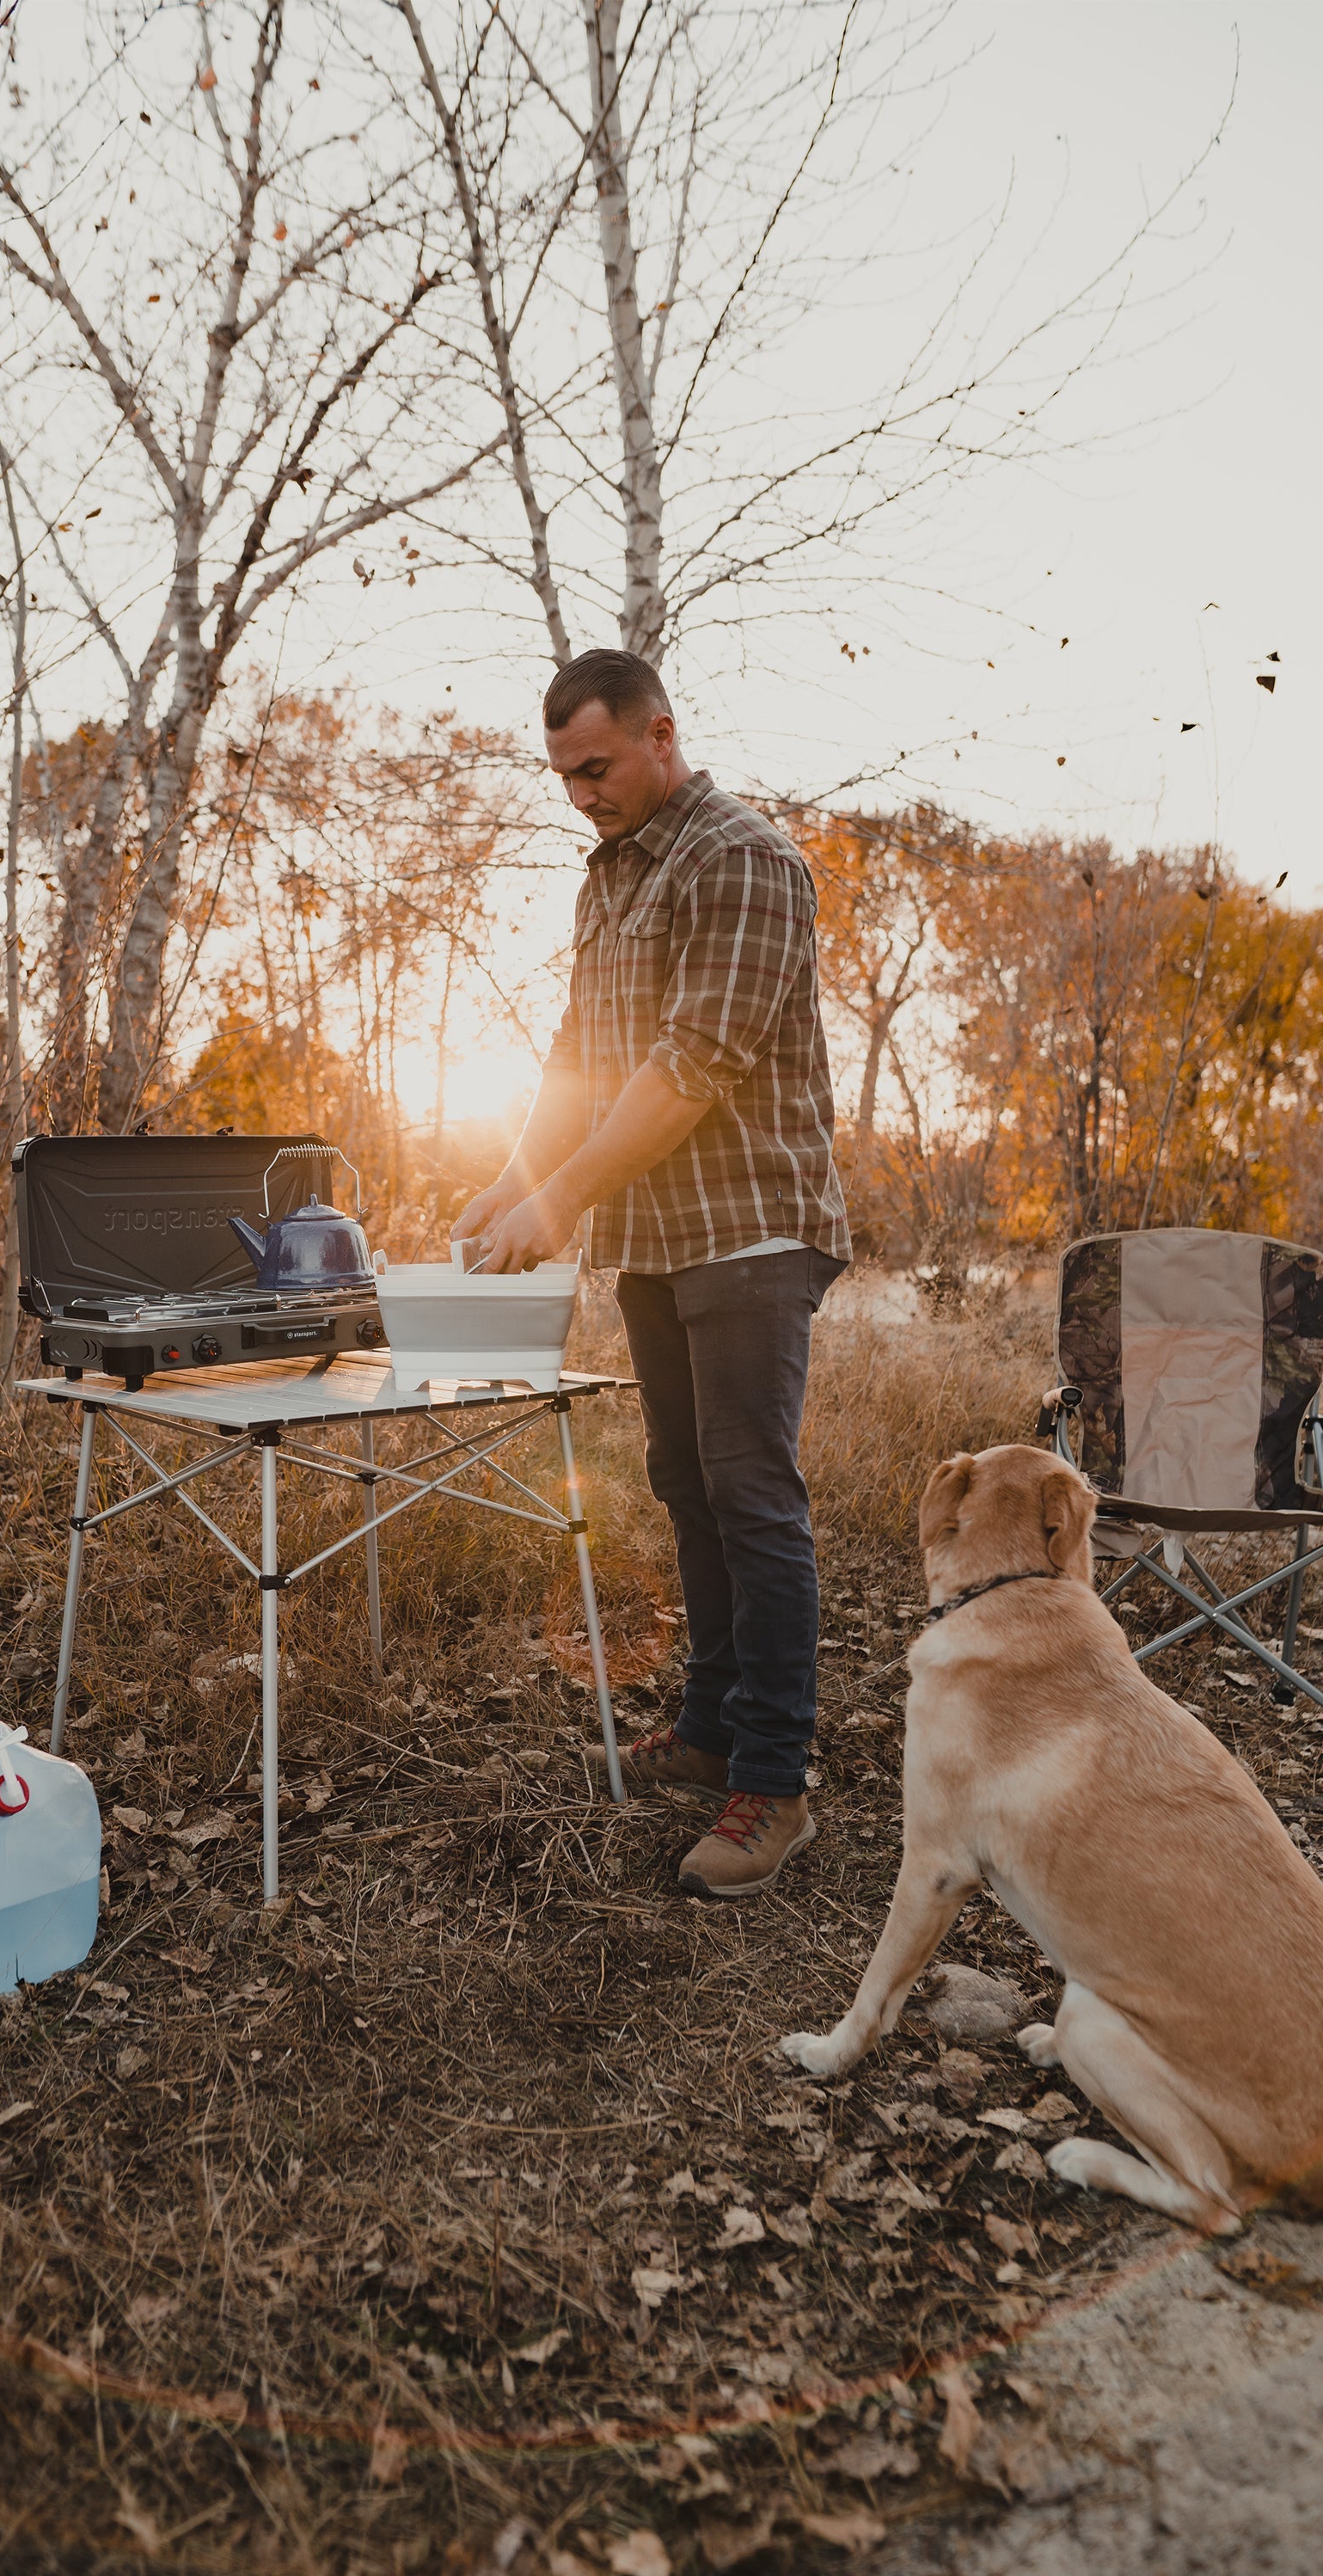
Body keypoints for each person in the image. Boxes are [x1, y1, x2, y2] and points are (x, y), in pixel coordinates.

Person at [453, 648, 850, 1898]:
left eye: (597, 767)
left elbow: (690, 1066)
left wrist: (560, 1201)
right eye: (564, 777)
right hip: (654, 1235)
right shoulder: (611, 872)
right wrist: (520, 1176)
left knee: (751, 1495)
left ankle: (775, 1784)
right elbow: (581, 1054)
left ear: (661, 734)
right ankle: (713, 1732)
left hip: (748, 1229)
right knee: (687, 1486)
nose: (581, 795)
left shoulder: (741, 859)